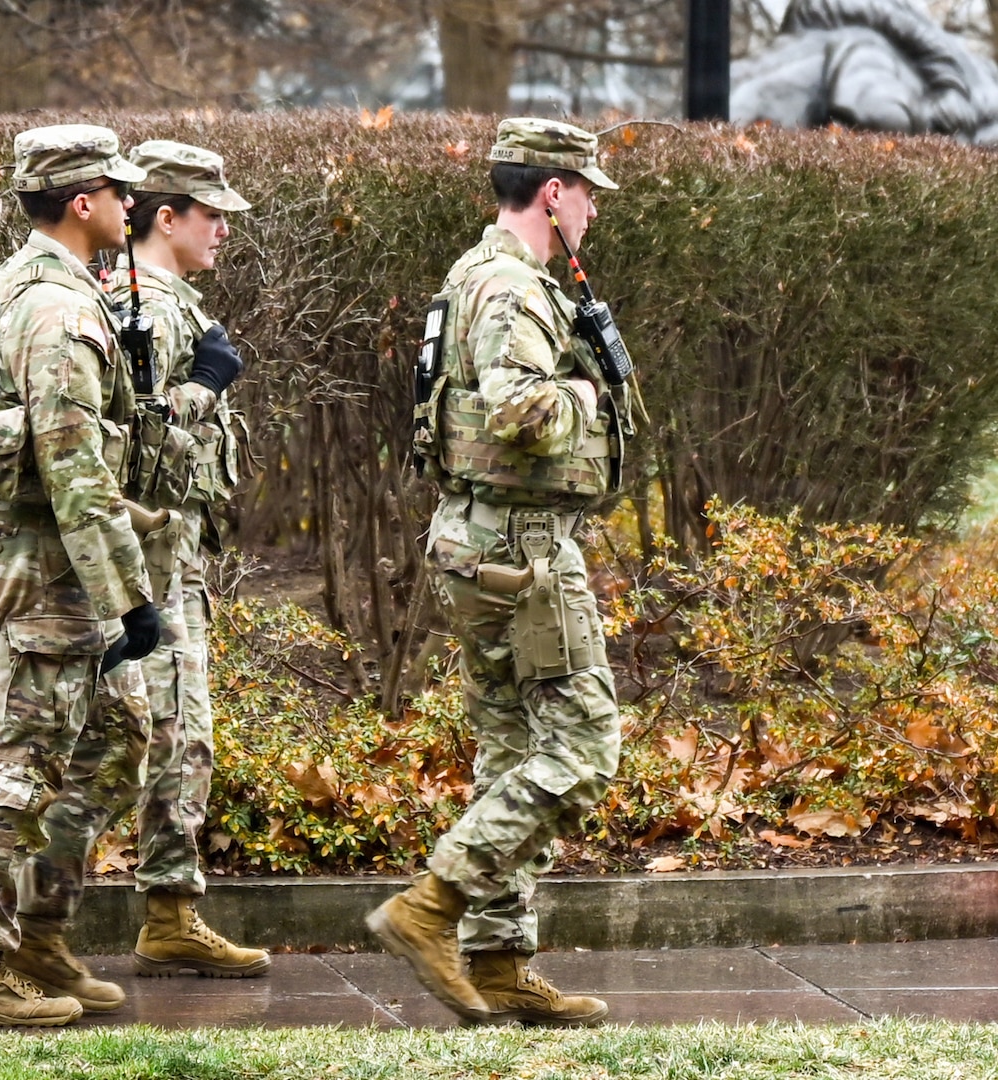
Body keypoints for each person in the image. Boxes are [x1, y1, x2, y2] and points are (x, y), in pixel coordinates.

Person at [369, 117, 633, 1027]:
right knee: (584, 747)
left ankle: (500, 959)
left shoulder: (476, 277)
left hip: (483, 541)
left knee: (512, 750)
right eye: (588, 191)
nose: (594, 209)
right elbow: (519, 408)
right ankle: (432, 907)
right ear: (552, 193)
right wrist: (589, 394)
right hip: (519, 547)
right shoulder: (511, 287)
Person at [10, 139, 269, 987]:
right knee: (143, 738)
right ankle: (11, 877)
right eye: (213, 215)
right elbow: (131, 447)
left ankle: (167, 912)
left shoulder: (166, 304)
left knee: (171, 739)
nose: (224, 230)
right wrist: (206, 386)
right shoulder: (145, 307)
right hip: (144, 557)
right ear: (168, 218)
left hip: (169, 554)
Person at [0, 123, 160, 1029]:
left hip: (47, 554)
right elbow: (74, 469)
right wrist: (129, 597)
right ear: (82, 202)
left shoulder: (34, 285)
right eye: (118, 190)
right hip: (40, 564)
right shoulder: (58, 311)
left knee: (117, 737)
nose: (130, 204)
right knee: (19, 761)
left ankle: (36, 934)